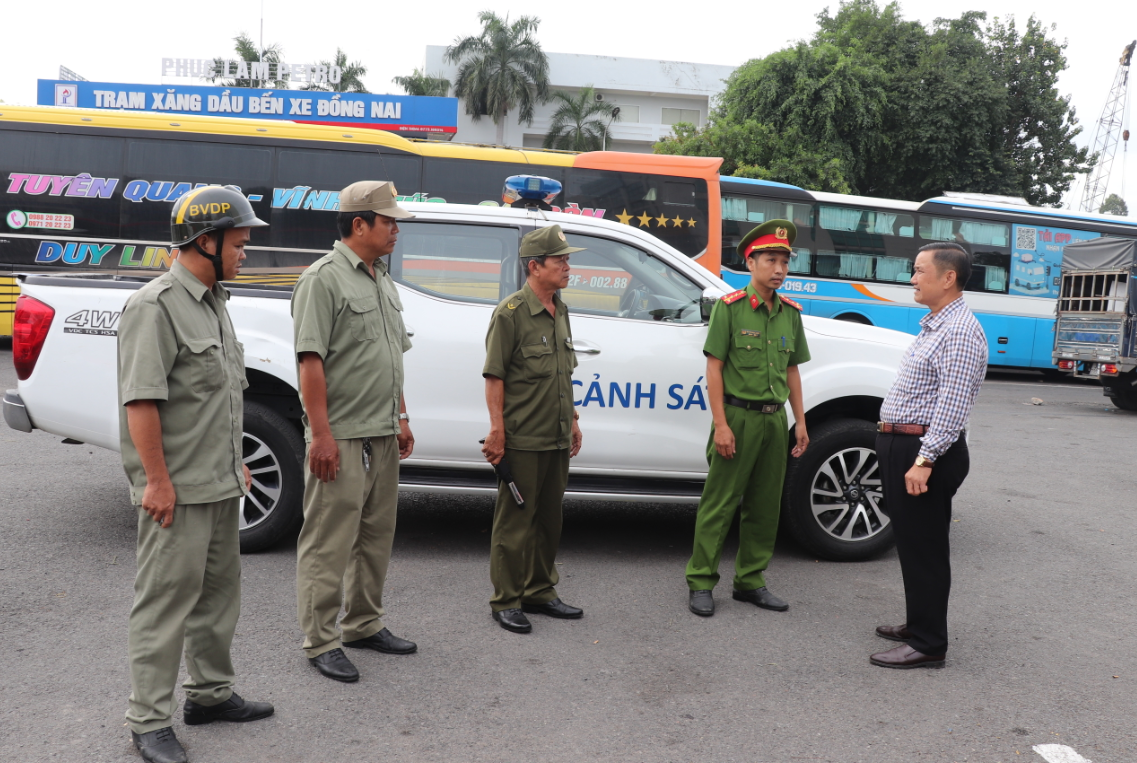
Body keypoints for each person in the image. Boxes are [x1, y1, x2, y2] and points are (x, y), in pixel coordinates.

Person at [118, 186, 274, 763]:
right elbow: (142, 404)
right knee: (164, 603)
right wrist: (156, 481)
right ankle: (148, 720)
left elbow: (221, 398)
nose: (245, 250)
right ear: (204, 241)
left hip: (218, 483)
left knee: (217, 599)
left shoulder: (214, 302)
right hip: (176, 491)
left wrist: (236, 465)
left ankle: (209, 695)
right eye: (239, 241)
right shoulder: (154, 307)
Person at [292, 181, 418, 683]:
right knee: (328, 542)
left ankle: (363, 623)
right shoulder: (322, 280)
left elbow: (391, 355)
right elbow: (310, 362)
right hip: (341, 434)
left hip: (382, 430)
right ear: (358, 224)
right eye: (388, 222)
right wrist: (320, 435)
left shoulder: (380, 277)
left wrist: (402, 417)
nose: (395, 230)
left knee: (374, 535)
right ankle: (321, 640)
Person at [685, 219, 810, 617]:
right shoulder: (731, 308)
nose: (779, 270)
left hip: (774, 422)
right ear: (751, 261)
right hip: (738, 418)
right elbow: (714, 369)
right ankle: (701, 581)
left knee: (765, 504)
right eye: (771, 260)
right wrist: (721, 425)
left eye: (784, 263)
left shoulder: (790, 313)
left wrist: (800, 422)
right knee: (720, 503)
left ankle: (751, 581)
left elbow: (792, 370)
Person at [870, 242, 987, 669]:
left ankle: (928, 643)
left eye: (919, 271)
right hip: (906, 445)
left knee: (926, 548)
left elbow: (952, 405)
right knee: (913, 542)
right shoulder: (937, 325)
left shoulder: (959, 332)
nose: (913, 278)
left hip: (923, 451)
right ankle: (918, 623)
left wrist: (925, 459)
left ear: (948, 277)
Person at [481, 225, 584, 634]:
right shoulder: (510, 314)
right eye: (560, 261)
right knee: (515, 522)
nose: (567, 267)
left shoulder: (562, 310)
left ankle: (540, 590)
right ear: (535, 266)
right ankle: (506, 600)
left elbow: (565, 373)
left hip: (556, 435)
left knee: (548, 519)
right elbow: (495, 377)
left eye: (567, 260)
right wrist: (497, 431)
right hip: (522, 437)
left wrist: (573, 421)